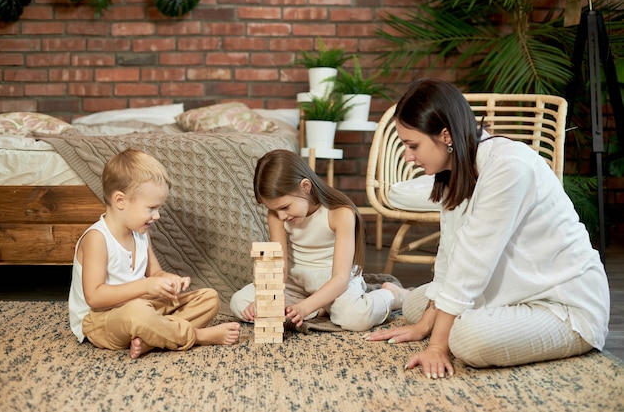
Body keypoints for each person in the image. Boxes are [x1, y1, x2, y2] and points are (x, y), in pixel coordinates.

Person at [366, 78, 610, 379]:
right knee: (420, 307)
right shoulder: (455, 170)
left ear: (445, 135)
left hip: (563, 307)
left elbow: (472, 260)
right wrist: (424, 323)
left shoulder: (508, 167)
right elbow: (450, 254)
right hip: (512, 290)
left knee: (465, 339)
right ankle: (411, 298)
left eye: (412, 145)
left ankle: (446, 318)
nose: (408, 156)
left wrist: (437, 345)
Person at [68, 148, 240, 359]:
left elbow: (155, 273)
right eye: (151, 208)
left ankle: (150, 339)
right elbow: (94, 297)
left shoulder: (140, 233)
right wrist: (146, 286)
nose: (157, 216)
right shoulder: (97, 238)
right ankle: (196, 336)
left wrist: (169, 281)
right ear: (121, 201)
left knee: (210, 298)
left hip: (145, 306)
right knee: (138, 313)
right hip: (100, 320)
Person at [229, 149, 397, 331]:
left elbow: (340, 277)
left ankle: (392, 295)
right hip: (295, 282)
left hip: (333, 283)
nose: (281, 216)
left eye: (285, 207)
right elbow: (281, 265)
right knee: (240, 302)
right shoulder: (277, 214)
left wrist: (304, 307)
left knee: (356, 318)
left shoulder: (340, 213)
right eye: (275, 210)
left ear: (306, 186)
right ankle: (321, 310)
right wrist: (266, 298)